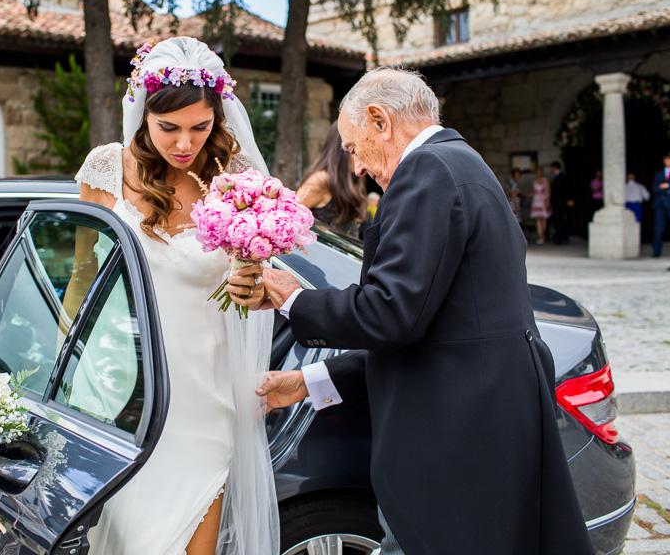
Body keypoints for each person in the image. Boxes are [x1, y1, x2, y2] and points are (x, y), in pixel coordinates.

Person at [229, 67, 594, 555]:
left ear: (380, 120)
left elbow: (390, 313)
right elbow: (431, 330)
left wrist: (294, 297)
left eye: (353, 147)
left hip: (455, 439)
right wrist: (306, 382)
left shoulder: (426, 172)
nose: (357, 167)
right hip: (481, 421)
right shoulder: (462, 163)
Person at [74, 37, 278, 555]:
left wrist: (250, 284)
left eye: (200, 127)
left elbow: (256, 285)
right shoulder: (105, 170)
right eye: (169, 128)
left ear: (217, 118)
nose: (185, 142)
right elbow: (82, 275)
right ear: (143, 113)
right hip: (116, 386)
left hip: (204, 396)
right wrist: (67, 359)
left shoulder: (235, 179)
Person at [297, 121, 367, 236]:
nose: (363, 154)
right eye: (356, 149)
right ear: (342, 148)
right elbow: (289, 219)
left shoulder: (354, 179)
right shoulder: (320, 181)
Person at [652, 151, 670, 270]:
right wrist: (668, 187)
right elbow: (655, 188)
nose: (668, 161)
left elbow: (668, 186)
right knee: (658, 229)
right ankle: (656, 252)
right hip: (660, 204)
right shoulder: (659, 174)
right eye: (666, 158)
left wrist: (668, 186)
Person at [549, 160, 574, 244]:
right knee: (558, 219)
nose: (551, 169)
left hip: (561, 202)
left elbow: (567, 188)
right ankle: (560, 236)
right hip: (556, 202)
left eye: (552, 168)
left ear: (555, 167)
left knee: (560, 219)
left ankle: (560, 237)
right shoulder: (555, 176)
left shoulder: (563, 176)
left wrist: (569, 199)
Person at [530, 166, 551, 244]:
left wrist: (547, 202)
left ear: (542, 172)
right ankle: (541, 237)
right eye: (537, 172)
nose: (538, 173)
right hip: (536, 201)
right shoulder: (534, 181)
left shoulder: (545, 180)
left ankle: (543, 236)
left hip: (543, 201)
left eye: (539, 171)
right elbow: (534, 191)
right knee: (538, 219)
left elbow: (548, 192)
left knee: (544, 219)